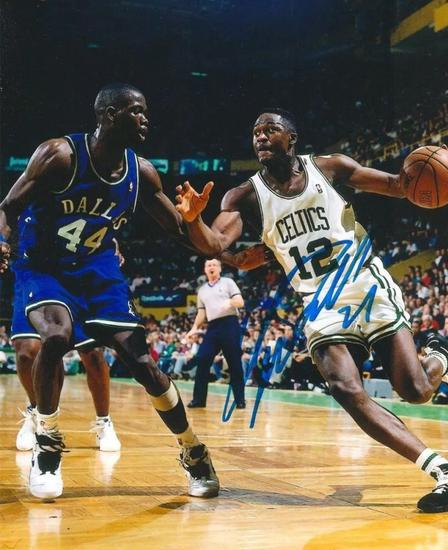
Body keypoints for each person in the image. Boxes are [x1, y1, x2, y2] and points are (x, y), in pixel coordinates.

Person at [175, 108, 448, 513]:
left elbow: (398, 185)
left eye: (270, 129)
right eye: (256, 131)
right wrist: (194, 220)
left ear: (291, 139)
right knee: (345, 388)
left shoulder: (329, 167)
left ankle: (440, 359)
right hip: (319, 303)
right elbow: (214, 244)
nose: (260, 136)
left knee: (416, 390)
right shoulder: (243, 196)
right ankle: (446, 471)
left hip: (365, 284)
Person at [0, 83, 265, 500]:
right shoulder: (59, 155)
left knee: (141, 361)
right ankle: (47, 445)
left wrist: (219, 247)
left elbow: (179, 231)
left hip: (98, 267)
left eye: (145, 112)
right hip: (44, 265)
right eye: (135, 111)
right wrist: (3, 241)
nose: (145, 119)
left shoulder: (141, 172)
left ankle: (193, 449)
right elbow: (9, 207)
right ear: (109, 114)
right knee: (55, 335)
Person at [12, 233, 125, 452]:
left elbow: (101, 219)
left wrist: (111, 242)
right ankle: (37, 412)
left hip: (76, 270)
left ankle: (104, 421)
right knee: (26, 352)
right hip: (33, 269)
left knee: (92, 352)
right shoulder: (22, 209)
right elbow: (6, 218)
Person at [186, 258, 246, 409]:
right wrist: (194, 328)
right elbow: (201, 313)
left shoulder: (228, 282)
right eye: (208, 265)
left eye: (214, 265)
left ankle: (240, 400)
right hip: (212, 326)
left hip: (230, 324)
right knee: (202, 358)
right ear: (205, 270)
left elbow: (240, 302)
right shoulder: (202, 290)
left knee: (234, 362)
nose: (211, 267)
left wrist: (230, 302)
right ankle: (199, 400)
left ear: (219, 268)